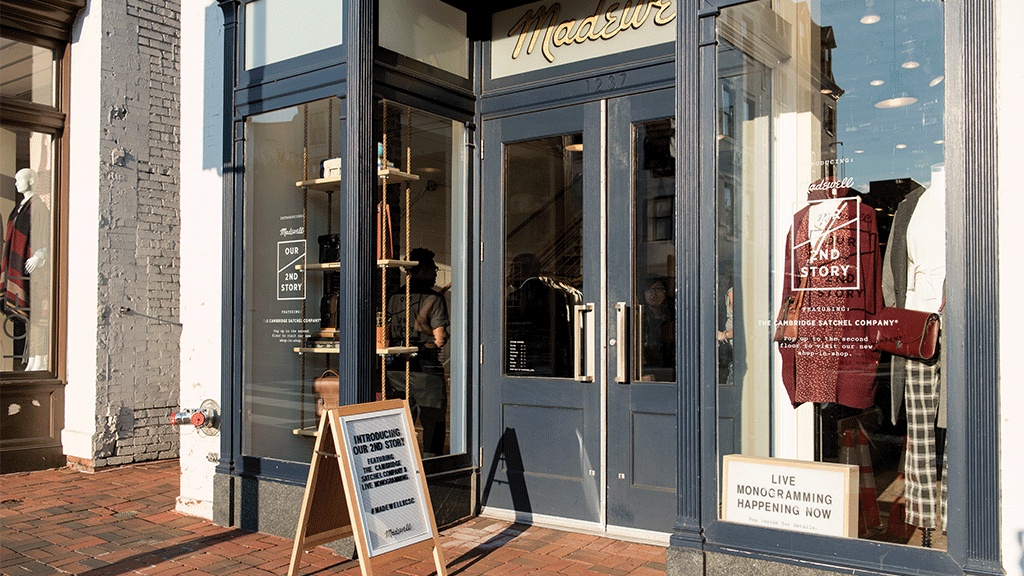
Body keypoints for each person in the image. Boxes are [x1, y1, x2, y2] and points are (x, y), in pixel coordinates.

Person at [386, 247, 449, 456]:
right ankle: (432, 469)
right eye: (433, 267)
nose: (436, 271)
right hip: (426, 370)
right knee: (433, 425)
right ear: (421, 269)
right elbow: (439, 340)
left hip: (395, 369)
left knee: (399, 426)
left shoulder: (393, 296)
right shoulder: (434, 299)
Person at [2, 168, 50, 371]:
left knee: (36, 312)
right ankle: (30, 358)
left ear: (31, 180)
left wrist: (39, 255)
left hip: (33, 270)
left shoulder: (38, 207)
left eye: (18, 179)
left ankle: (38, 359)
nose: (15, 183)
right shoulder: (18, 208)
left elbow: (45, 233)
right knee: (23, 314)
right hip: (18, 267)